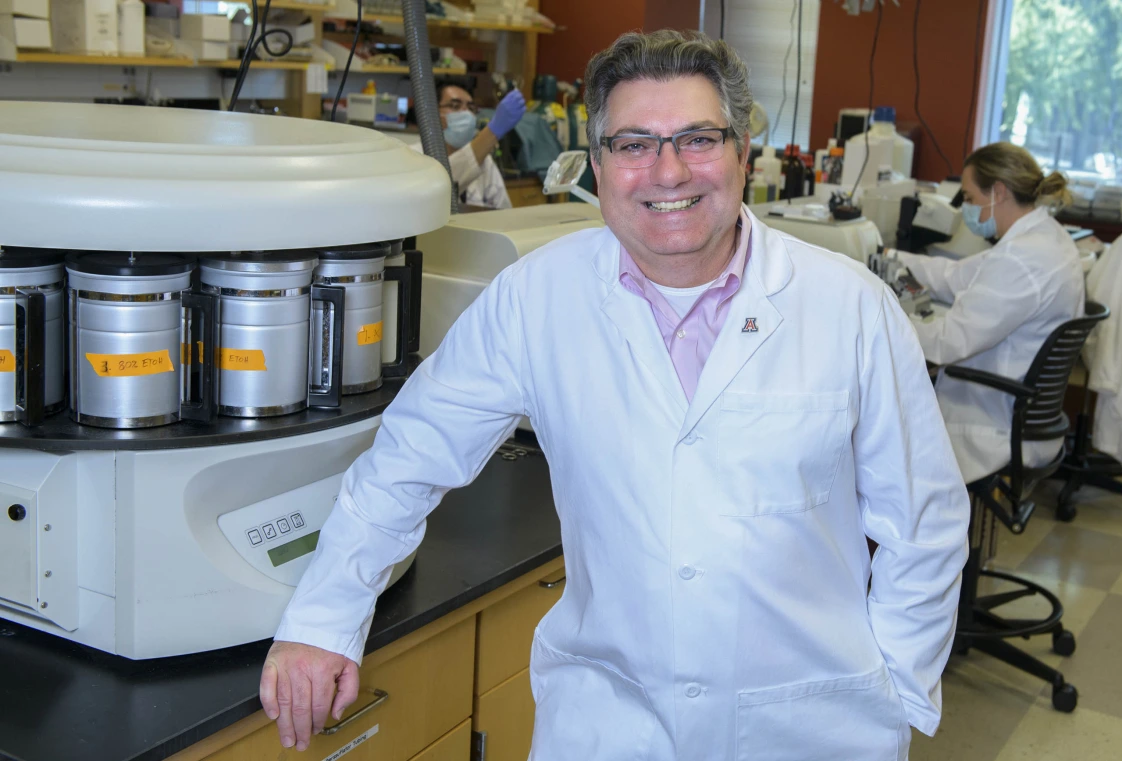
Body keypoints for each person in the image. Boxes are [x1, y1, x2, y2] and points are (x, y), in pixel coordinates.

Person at [261, 30, 969, 759]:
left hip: (811, 727)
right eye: (633, 145)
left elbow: (926, 520)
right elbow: (409, 455)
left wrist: (897, 691)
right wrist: (321, 617)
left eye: (696, 138)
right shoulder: (538, 296)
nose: (667, 171)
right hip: (607, 722)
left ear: (741, 154)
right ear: (597, 166)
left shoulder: (849, 307)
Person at [893, 142, 1083, 484]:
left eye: (968, 198)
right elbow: (956, 277)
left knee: (876, 437)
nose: (966, 208)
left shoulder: (1020, 258)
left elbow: (947, 343)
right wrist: (890, 258)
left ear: (998, 191)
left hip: (991, 420)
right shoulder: (1045, 238)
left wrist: (885, 319)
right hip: (1020, 409)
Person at [417, 78, 525, 209]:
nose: (465, 112)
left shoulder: (485, 162)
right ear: (432, 113)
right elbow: (440, 183)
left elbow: (505, 213)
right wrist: (493, 131)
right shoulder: (414, 158)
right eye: (455, 106)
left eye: (470, 107)